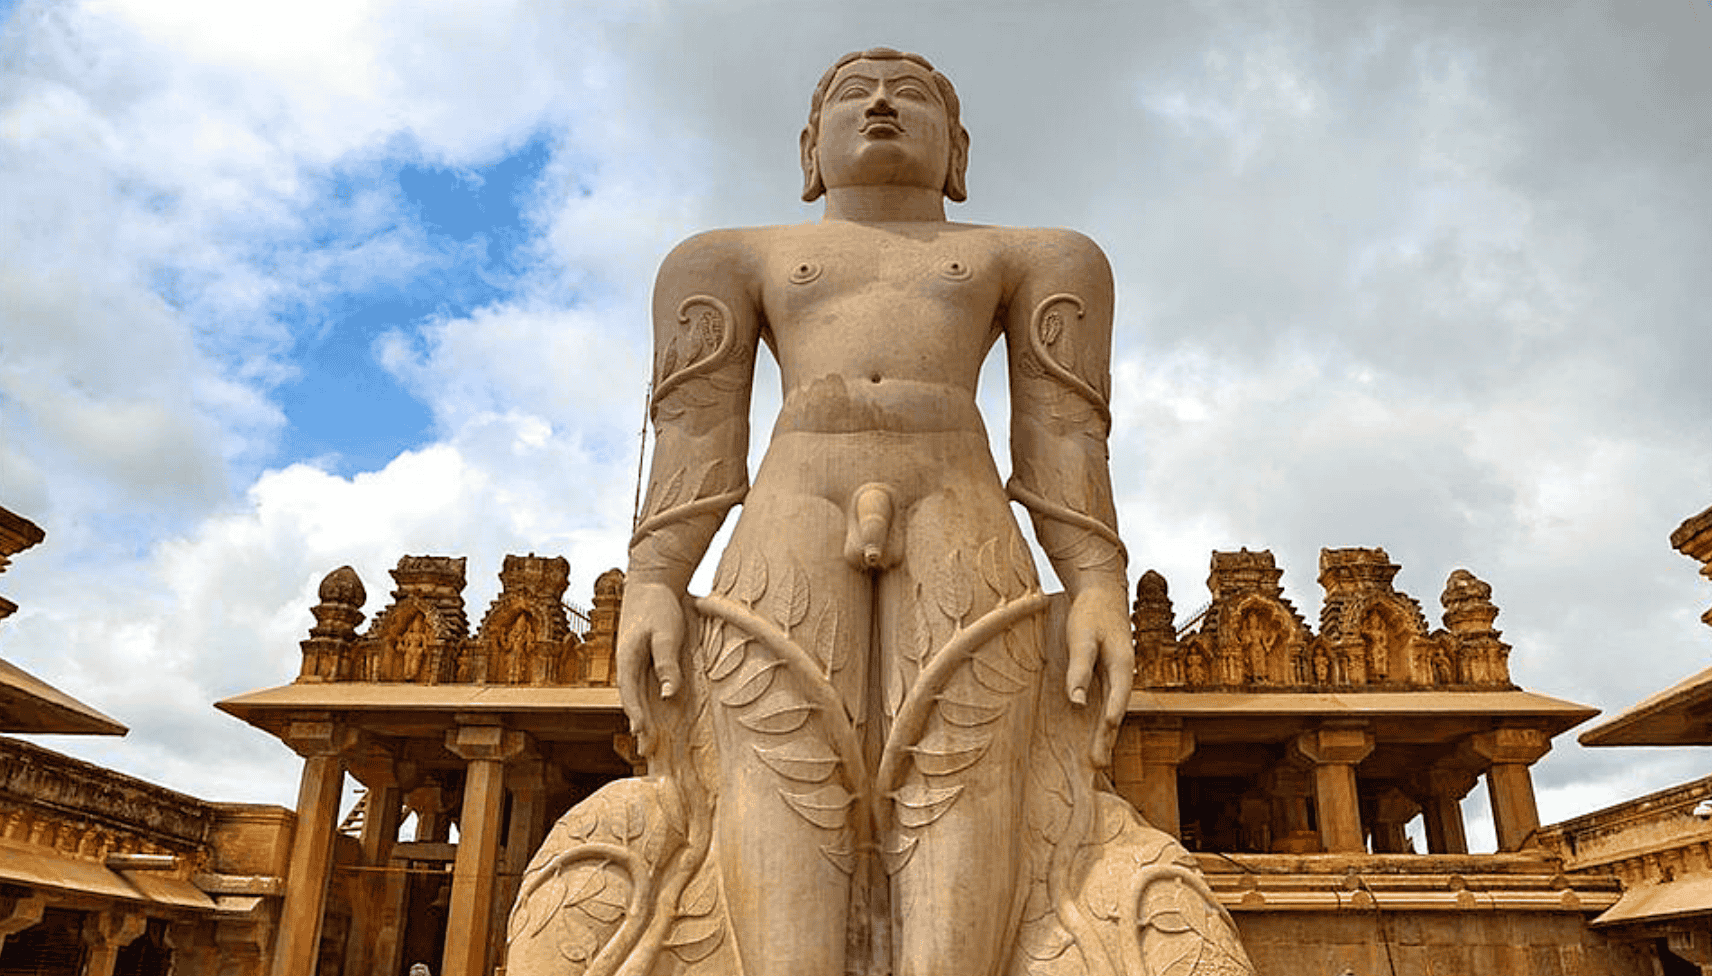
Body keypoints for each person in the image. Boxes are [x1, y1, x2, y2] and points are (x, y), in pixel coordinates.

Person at [507, 48, 1250, 976]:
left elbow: (1065, 434)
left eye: (914, 96)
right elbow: (695, 431)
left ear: (959, 154)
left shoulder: (1039, 257)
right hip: (793, 507)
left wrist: (1097, 583)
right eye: (855, 94)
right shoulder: (724, 259)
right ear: (809, 150)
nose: (884, 102)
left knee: (967, 766)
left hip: (956, 505)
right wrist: (655, 578)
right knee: (777, 761)